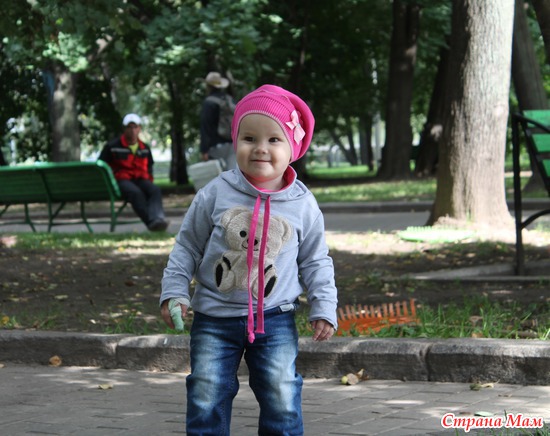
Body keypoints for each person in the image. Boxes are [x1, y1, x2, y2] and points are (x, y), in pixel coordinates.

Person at [160, 85, 338, 434]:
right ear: (235, 141)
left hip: (275, 318)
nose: (260, 148)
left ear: (293, 148)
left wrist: (324, 305)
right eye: (249, 138)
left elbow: (316, 260)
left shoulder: (303, 204)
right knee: (206, 393)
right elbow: (187, 247)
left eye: (274, 139)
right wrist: (174, 291)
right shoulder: (215, 193)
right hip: (214, 319)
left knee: (281, 394)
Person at [98, 113, 169, 232]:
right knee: (135, 193)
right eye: (129, 127)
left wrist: (148, 180)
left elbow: (149, 167)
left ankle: (158, 218)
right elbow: (102, 166)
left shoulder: (145, 148)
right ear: (124, 129)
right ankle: (152, 223)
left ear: (139, 128)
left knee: (155, 190)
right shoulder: (112, 147)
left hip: (140, 179)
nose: (132, 130)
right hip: (121, 180)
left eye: (135, 127)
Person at [199, 71, 237, 170]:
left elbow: (205, 126)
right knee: (232, 175)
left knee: (217, 177)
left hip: (215, 147)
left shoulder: (209, 102)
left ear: (208, 86)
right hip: (232, 145)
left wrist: (204, 150)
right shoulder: (229, 99)